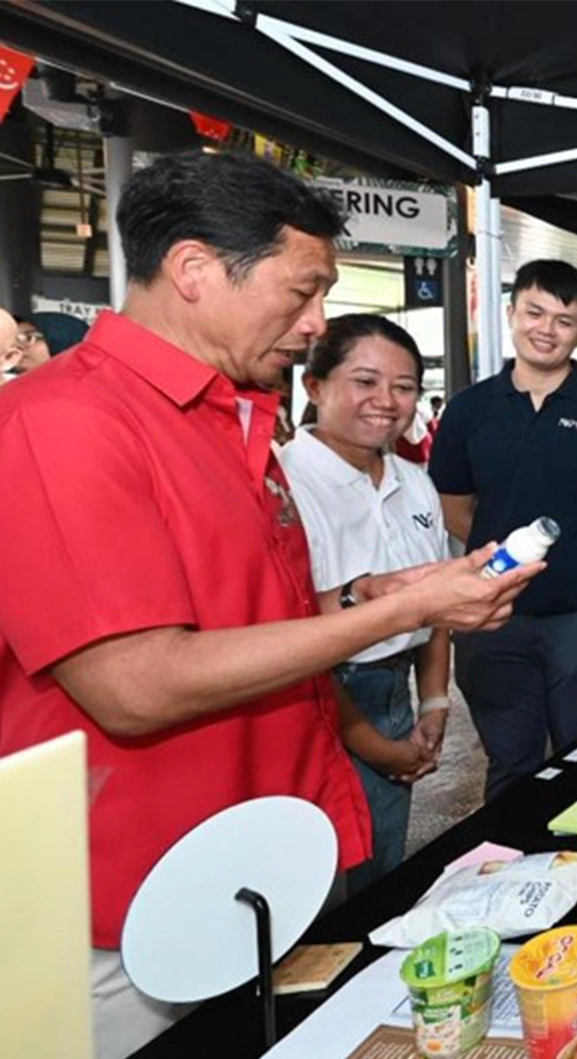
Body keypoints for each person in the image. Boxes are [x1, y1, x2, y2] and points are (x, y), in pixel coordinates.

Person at [0, 150, 535, 1059]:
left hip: (250, 858)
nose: (315, 322)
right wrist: (386, 618)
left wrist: (384, 590)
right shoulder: (65, 423)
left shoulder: (227, 420)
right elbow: (137, 682)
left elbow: (244, 613)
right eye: (302, 290)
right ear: (196, 271)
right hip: (129, 899)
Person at [429, 259, 577, 801]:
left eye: (564, 319)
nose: (546, 329)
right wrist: (496, 564)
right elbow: (453, 505)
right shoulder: (470, 410)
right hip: (489, 615)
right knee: (510, 764)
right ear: (511, 313)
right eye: (535, 312)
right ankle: (510, 873)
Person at [280, 314, 453, 893]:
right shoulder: (282, 483)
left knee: (382, 878)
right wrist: (378, 748)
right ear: (315, 385)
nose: (386, 402)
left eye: (403, 387)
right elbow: (292, 640)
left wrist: (432, 703)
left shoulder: (414, 479)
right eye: (365, 381)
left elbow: (433, 606)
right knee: (324, 895)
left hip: (395, 694)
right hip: (317, 703)